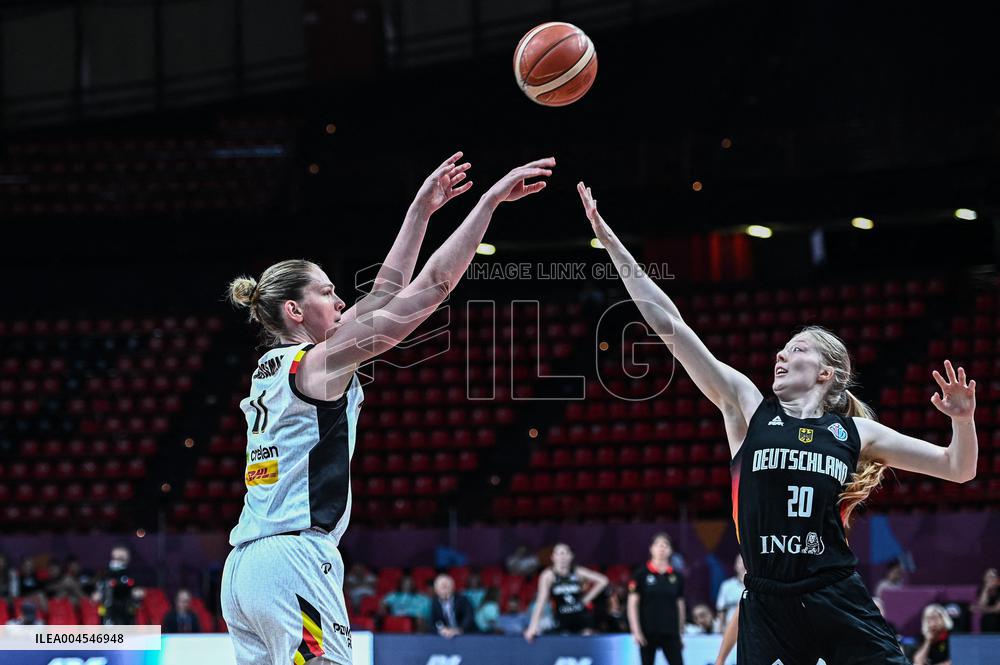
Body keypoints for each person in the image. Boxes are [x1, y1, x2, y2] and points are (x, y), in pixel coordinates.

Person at [577, 181, 978, 665]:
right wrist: (609, 240)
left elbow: (958, 468)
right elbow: (669, 325)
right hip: (767, 601)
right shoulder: (748, 406)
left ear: (826, 373)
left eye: (797, 349)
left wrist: (963, 420)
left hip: (833, 591)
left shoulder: (856, 433)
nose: (781, 354)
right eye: (783, 348)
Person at [219, 152, 554, 665]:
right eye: (327, 293)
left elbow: (383, 293)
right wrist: (487, 204)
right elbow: (432, 287)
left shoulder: (279, 366)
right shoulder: (319, 363)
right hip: (292, 560)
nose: (338, 302)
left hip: (244, 572)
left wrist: (422, 207)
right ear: (294, 310)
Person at [524, 543, 608, 640]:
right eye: (559, 554)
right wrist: (533, 626)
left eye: (565, 553)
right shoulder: (548, 575)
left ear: (571, 556)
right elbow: (541, 601)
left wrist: (586, 599)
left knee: (587, 638)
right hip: (561, 619)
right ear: (553, 557)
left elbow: (603, 580)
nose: (562, 557)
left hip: (581, 617)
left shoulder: (577, 572)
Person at [628, 533, 685, 665]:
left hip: (670, 631)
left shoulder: (676, 576)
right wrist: (636, 631)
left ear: (670, 550)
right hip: (647, 631)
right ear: (651, 549)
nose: (662, 548)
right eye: (658, 545)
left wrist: (680, 631)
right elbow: (632, 604)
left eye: (665, 545)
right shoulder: (640, 574)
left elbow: (680, 605)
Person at [92, 545, 144, 625]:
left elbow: (140, 594)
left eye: (120, 559)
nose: (116, 562)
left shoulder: (132, 577)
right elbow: (95, 596)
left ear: (127, 560)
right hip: (108, 617)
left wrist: (138, 594)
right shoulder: (104, 575)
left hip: (126, 617)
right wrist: (98, 595)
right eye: (114, 558)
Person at [715, 554, 745, 628]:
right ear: (735, 566)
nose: (744, 565)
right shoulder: (727, 586)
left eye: (746, 561)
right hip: (731, 629)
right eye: (740, 562)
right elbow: (721, 609)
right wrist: (721, 628)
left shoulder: (756, 586)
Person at [974, 567, 1000, 632]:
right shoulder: (981, 590)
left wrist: (983, 609)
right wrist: (986, 589)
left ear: (997, 579)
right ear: (984, 579)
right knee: (988, 619)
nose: (990, 579)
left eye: (993, 577)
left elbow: (997, 609)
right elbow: (981, 604)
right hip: (988, 620)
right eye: (988, 577)